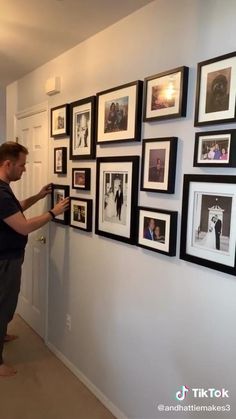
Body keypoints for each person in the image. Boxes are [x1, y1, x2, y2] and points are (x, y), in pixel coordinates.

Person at [0, 141, 69, 377]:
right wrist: (53, 212)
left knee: (6, 303)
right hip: (5, 260)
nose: (25, 169)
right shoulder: (0, 192)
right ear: (7, 163)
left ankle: (3, 333)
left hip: (8, 257)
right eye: (22, 165)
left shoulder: (3, 188)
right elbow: (24, 227)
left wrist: (39, 197)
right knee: (2, 305)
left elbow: (15, 208)